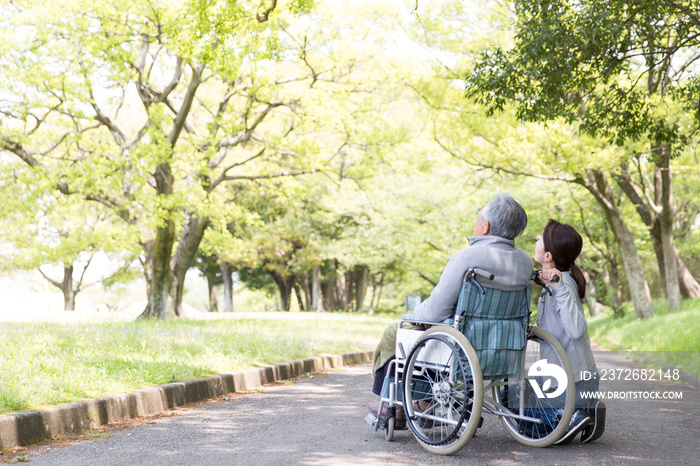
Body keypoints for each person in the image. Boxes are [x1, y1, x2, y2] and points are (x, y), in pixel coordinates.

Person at [368, 193, 533, 424]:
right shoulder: (525, 261)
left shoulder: (468, 256)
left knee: (399, 332)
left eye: (479, 215)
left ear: (485, 226)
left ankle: (390, 404)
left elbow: (434, 311)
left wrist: (417, 317)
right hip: (504, 345)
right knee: (442, 333)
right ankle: (424, 404)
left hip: (463, 343)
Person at [534, 219, 606, 444]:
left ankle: (568, 418)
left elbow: (576, 330)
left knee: (513, 407)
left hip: (568, 385)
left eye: (540, 238)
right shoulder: (562, 281)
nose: (536, 241)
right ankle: (583, 412)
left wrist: (557, 289)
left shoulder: (561, 286)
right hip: (582, 381)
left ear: (548, 256)